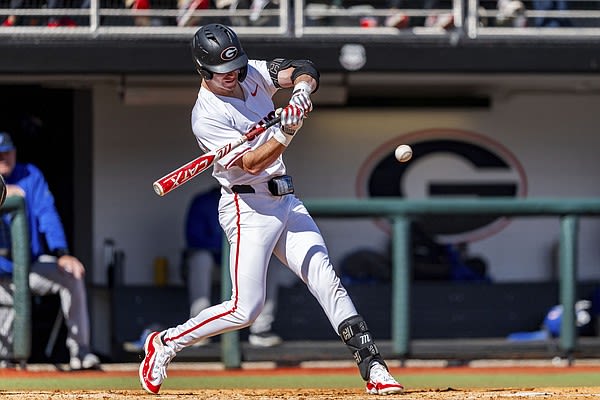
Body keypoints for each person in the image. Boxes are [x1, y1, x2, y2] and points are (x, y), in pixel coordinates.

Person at [139, 23, 404, 396]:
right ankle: (166, 342)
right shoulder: (207, 116)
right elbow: (251, 163)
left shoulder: (249, 73)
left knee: (325, 279)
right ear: (203, 70)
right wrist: (284, 133)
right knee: (244, 309)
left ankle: (373, 365)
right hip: (247, 206)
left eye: (235, 68)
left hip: (286, 200)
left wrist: (298, 92)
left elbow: (302, 67)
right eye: (222, 72)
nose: (232, 76)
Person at [0, 131, 100, 370]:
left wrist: (61, 252)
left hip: (30, 266)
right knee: (4, 356)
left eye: (8, 152)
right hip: (1, 274)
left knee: (71, 275)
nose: (4, 157)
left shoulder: (30, 175)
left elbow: (47, 214)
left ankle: (81, 351)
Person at [183, 185, 286, 347]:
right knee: (200, 259)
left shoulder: (254, 199)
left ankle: (262, 329)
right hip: (216, 265)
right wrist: (228, 247)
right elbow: (194, 240)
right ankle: (198, 328)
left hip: (245, 263)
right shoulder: (204, 201)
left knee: (271, 260)